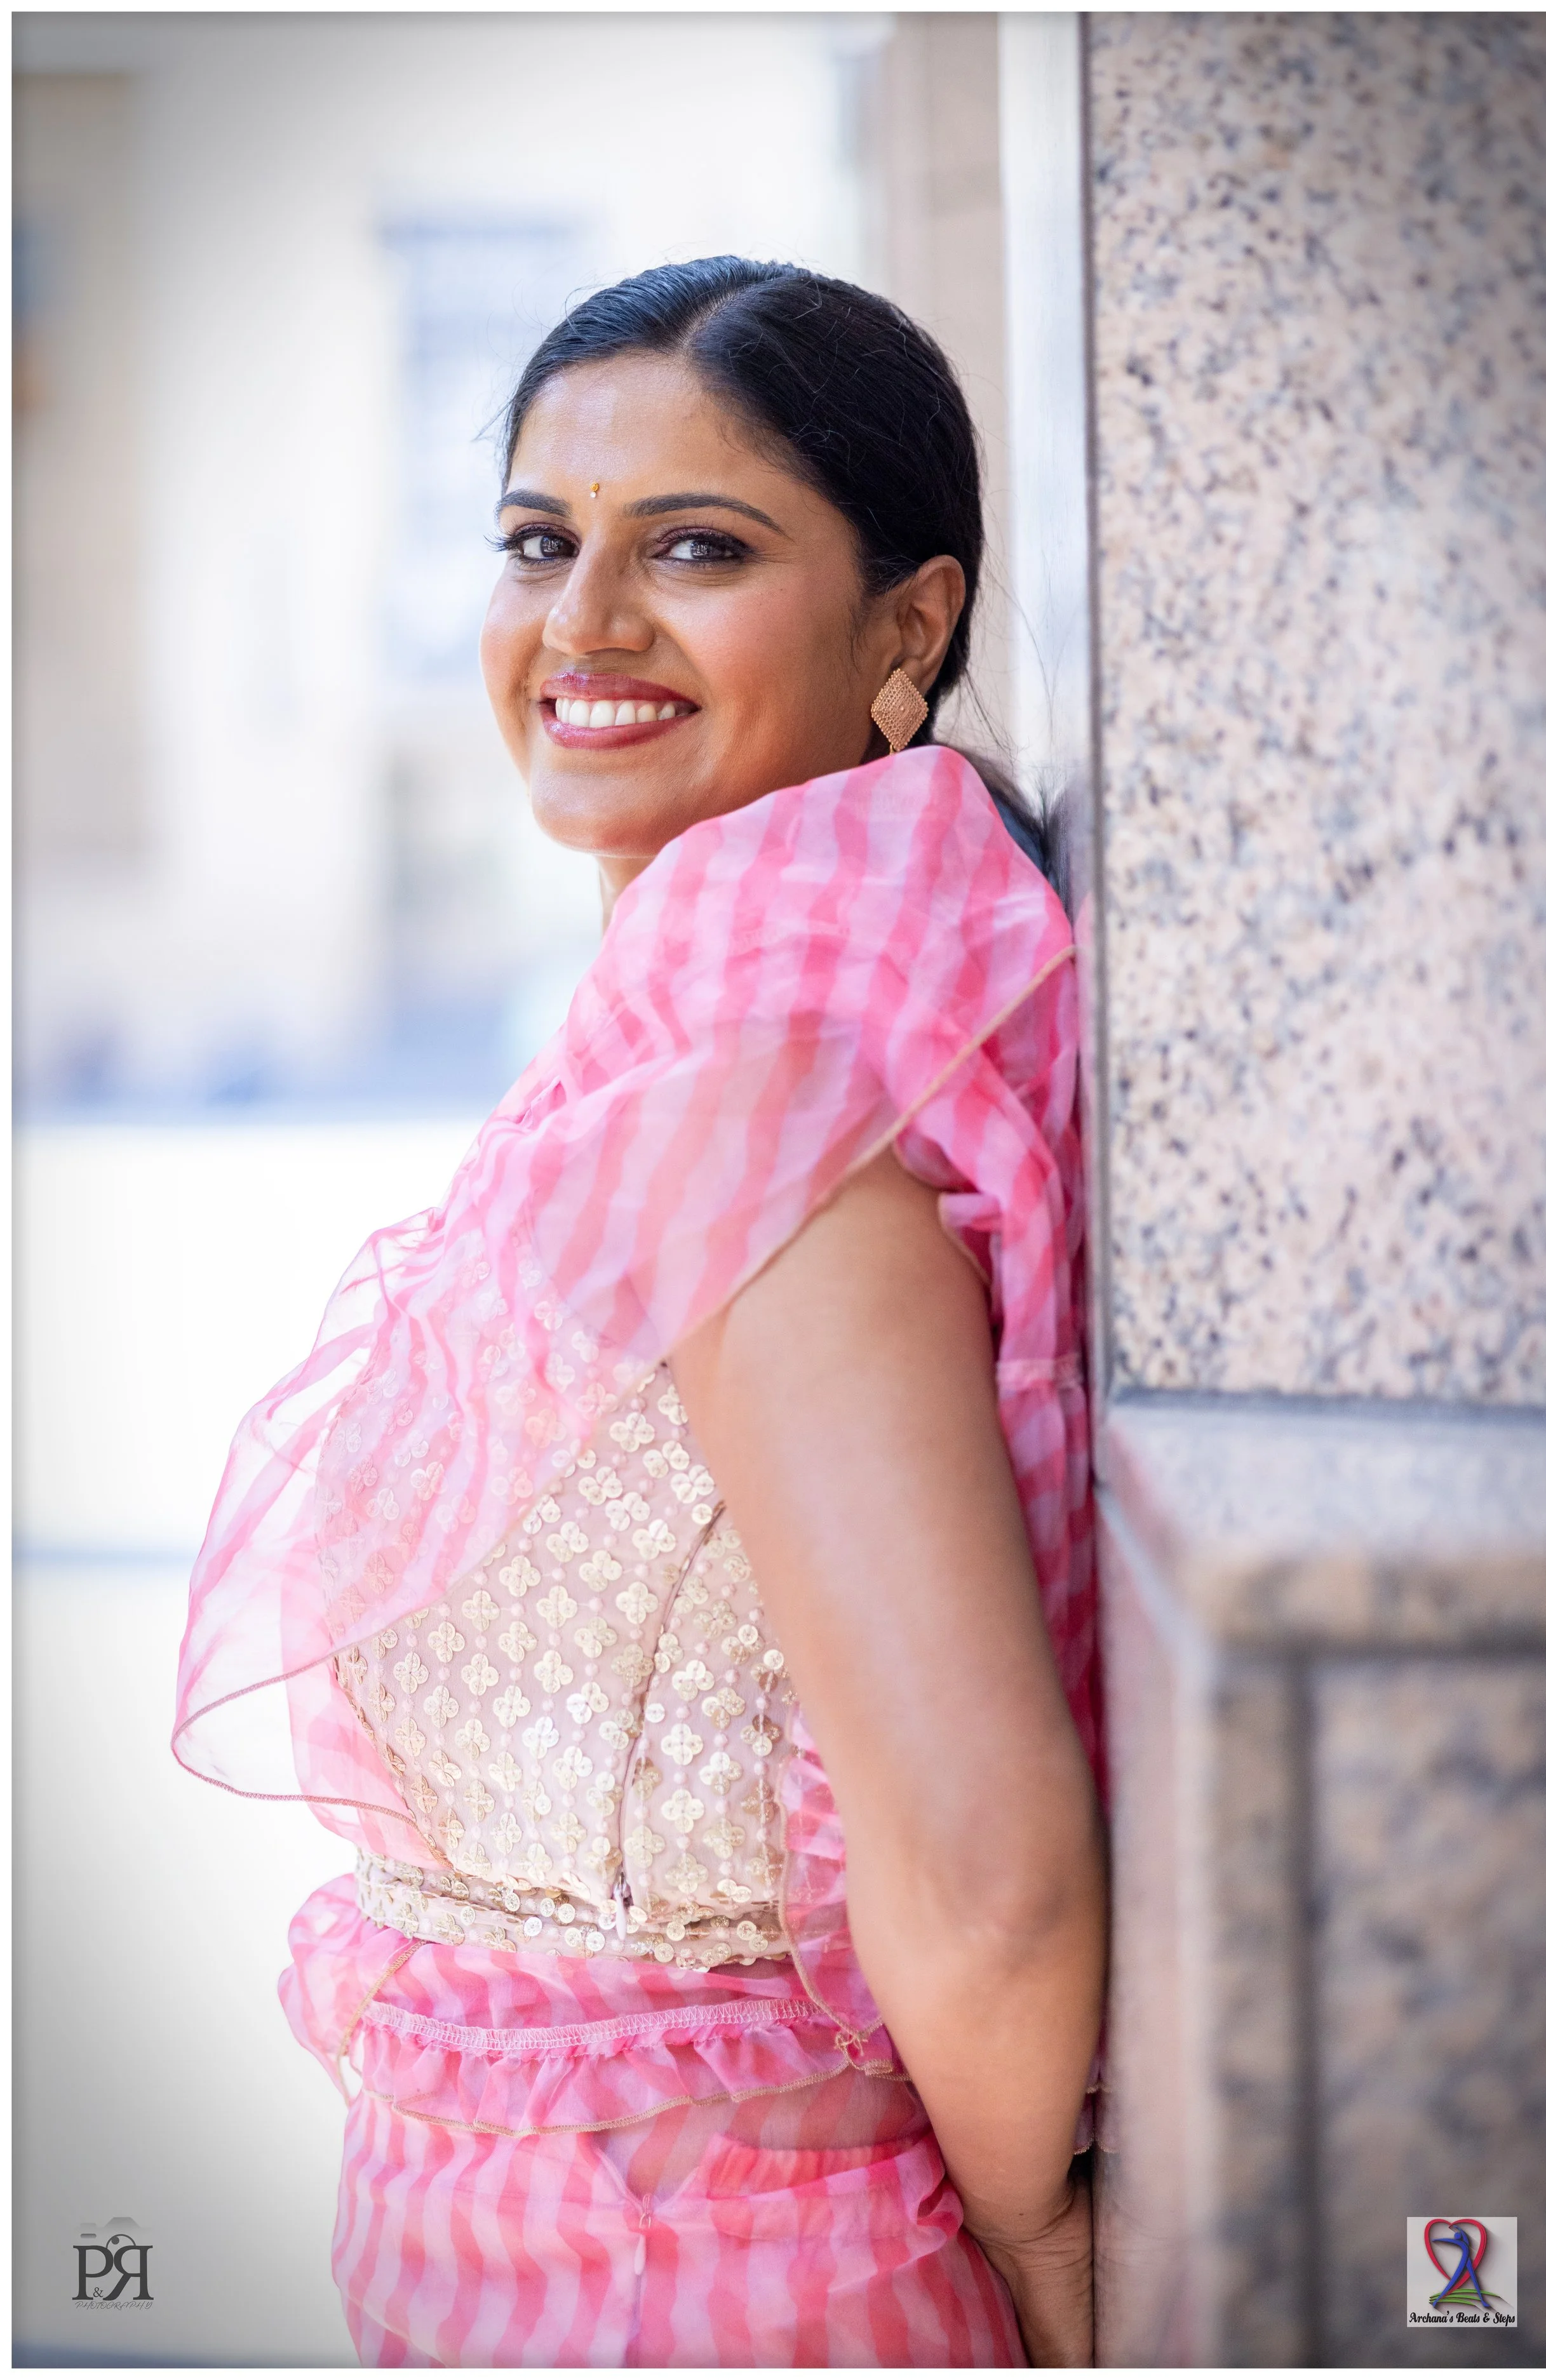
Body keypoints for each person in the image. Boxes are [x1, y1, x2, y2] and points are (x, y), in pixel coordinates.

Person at [173, 257, 1106, 2369]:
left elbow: (987, 1878)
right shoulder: (664, 1077)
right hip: (514, 2251)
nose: (582, 625)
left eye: (694, 546)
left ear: (908, 628)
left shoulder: (781, 1139)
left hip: (735, 2295)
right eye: (537, 543)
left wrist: (1050, 2270)